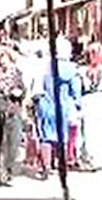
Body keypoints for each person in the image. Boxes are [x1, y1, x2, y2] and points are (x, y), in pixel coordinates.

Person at [34, 39, 84, 177]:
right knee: (62, 136)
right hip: (63, 106)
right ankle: (60, 164)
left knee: (46, 136)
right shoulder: (71, 69)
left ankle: (47, 166)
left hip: (45, 104)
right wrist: (78, 105)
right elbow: (76, 89)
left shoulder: (45, 66)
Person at [0, 49, 25, 185]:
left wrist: (19, 93)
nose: (3, 61)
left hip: (13, 106)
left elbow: (23, 89)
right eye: (0, 58)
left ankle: (8, 170)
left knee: (13, 140)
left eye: (4, 58)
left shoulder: (16, 72)